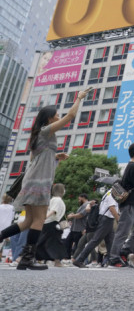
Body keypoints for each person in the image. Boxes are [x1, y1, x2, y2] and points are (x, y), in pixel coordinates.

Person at [0, 88, 89, 270]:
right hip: (39, 182)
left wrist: (56, 156)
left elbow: (36, 160)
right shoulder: (46, 130)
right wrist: (79, 98)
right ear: (49, 119)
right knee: (39, 220)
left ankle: (22, 255)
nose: (58, 117)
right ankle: (27, 259)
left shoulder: (39, 135)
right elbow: (70, 116)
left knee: (27, 222)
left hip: (33, 181)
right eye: (56, 115)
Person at [109, 142, 134, 268]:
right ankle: (114, 258)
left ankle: (125, 251)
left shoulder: (133, 167)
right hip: (130, 204)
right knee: (122, 232)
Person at [73, 189, 119, 268]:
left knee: (110, 241)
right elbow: (112, 208)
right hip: (107, 219)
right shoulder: (112, 194)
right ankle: (79, 259)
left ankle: (112, 260)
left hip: (106, 219)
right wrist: (119, 220)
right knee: (95, 240)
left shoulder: (108, 192)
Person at [35, 183, 68, 267]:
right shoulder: (58, 200)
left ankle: (31, 257)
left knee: (45, 241)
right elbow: (53, 210)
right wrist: (44, 217)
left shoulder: (53, 199)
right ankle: (57, 261)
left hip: (48, 223)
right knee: (54, 242)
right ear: (62, 190)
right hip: (52, 223)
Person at [65, 193, 89, 259]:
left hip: (80, 229)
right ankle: (67, 258)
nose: (78, 201)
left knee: (79, 245)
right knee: (67, 242)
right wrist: (74, 214)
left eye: (79, 199)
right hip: (74, 229)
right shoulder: (83, 205)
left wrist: (72, 215)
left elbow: (81, 215)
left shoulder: (87, 205)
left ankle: (79, 259)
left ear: (83, 198)